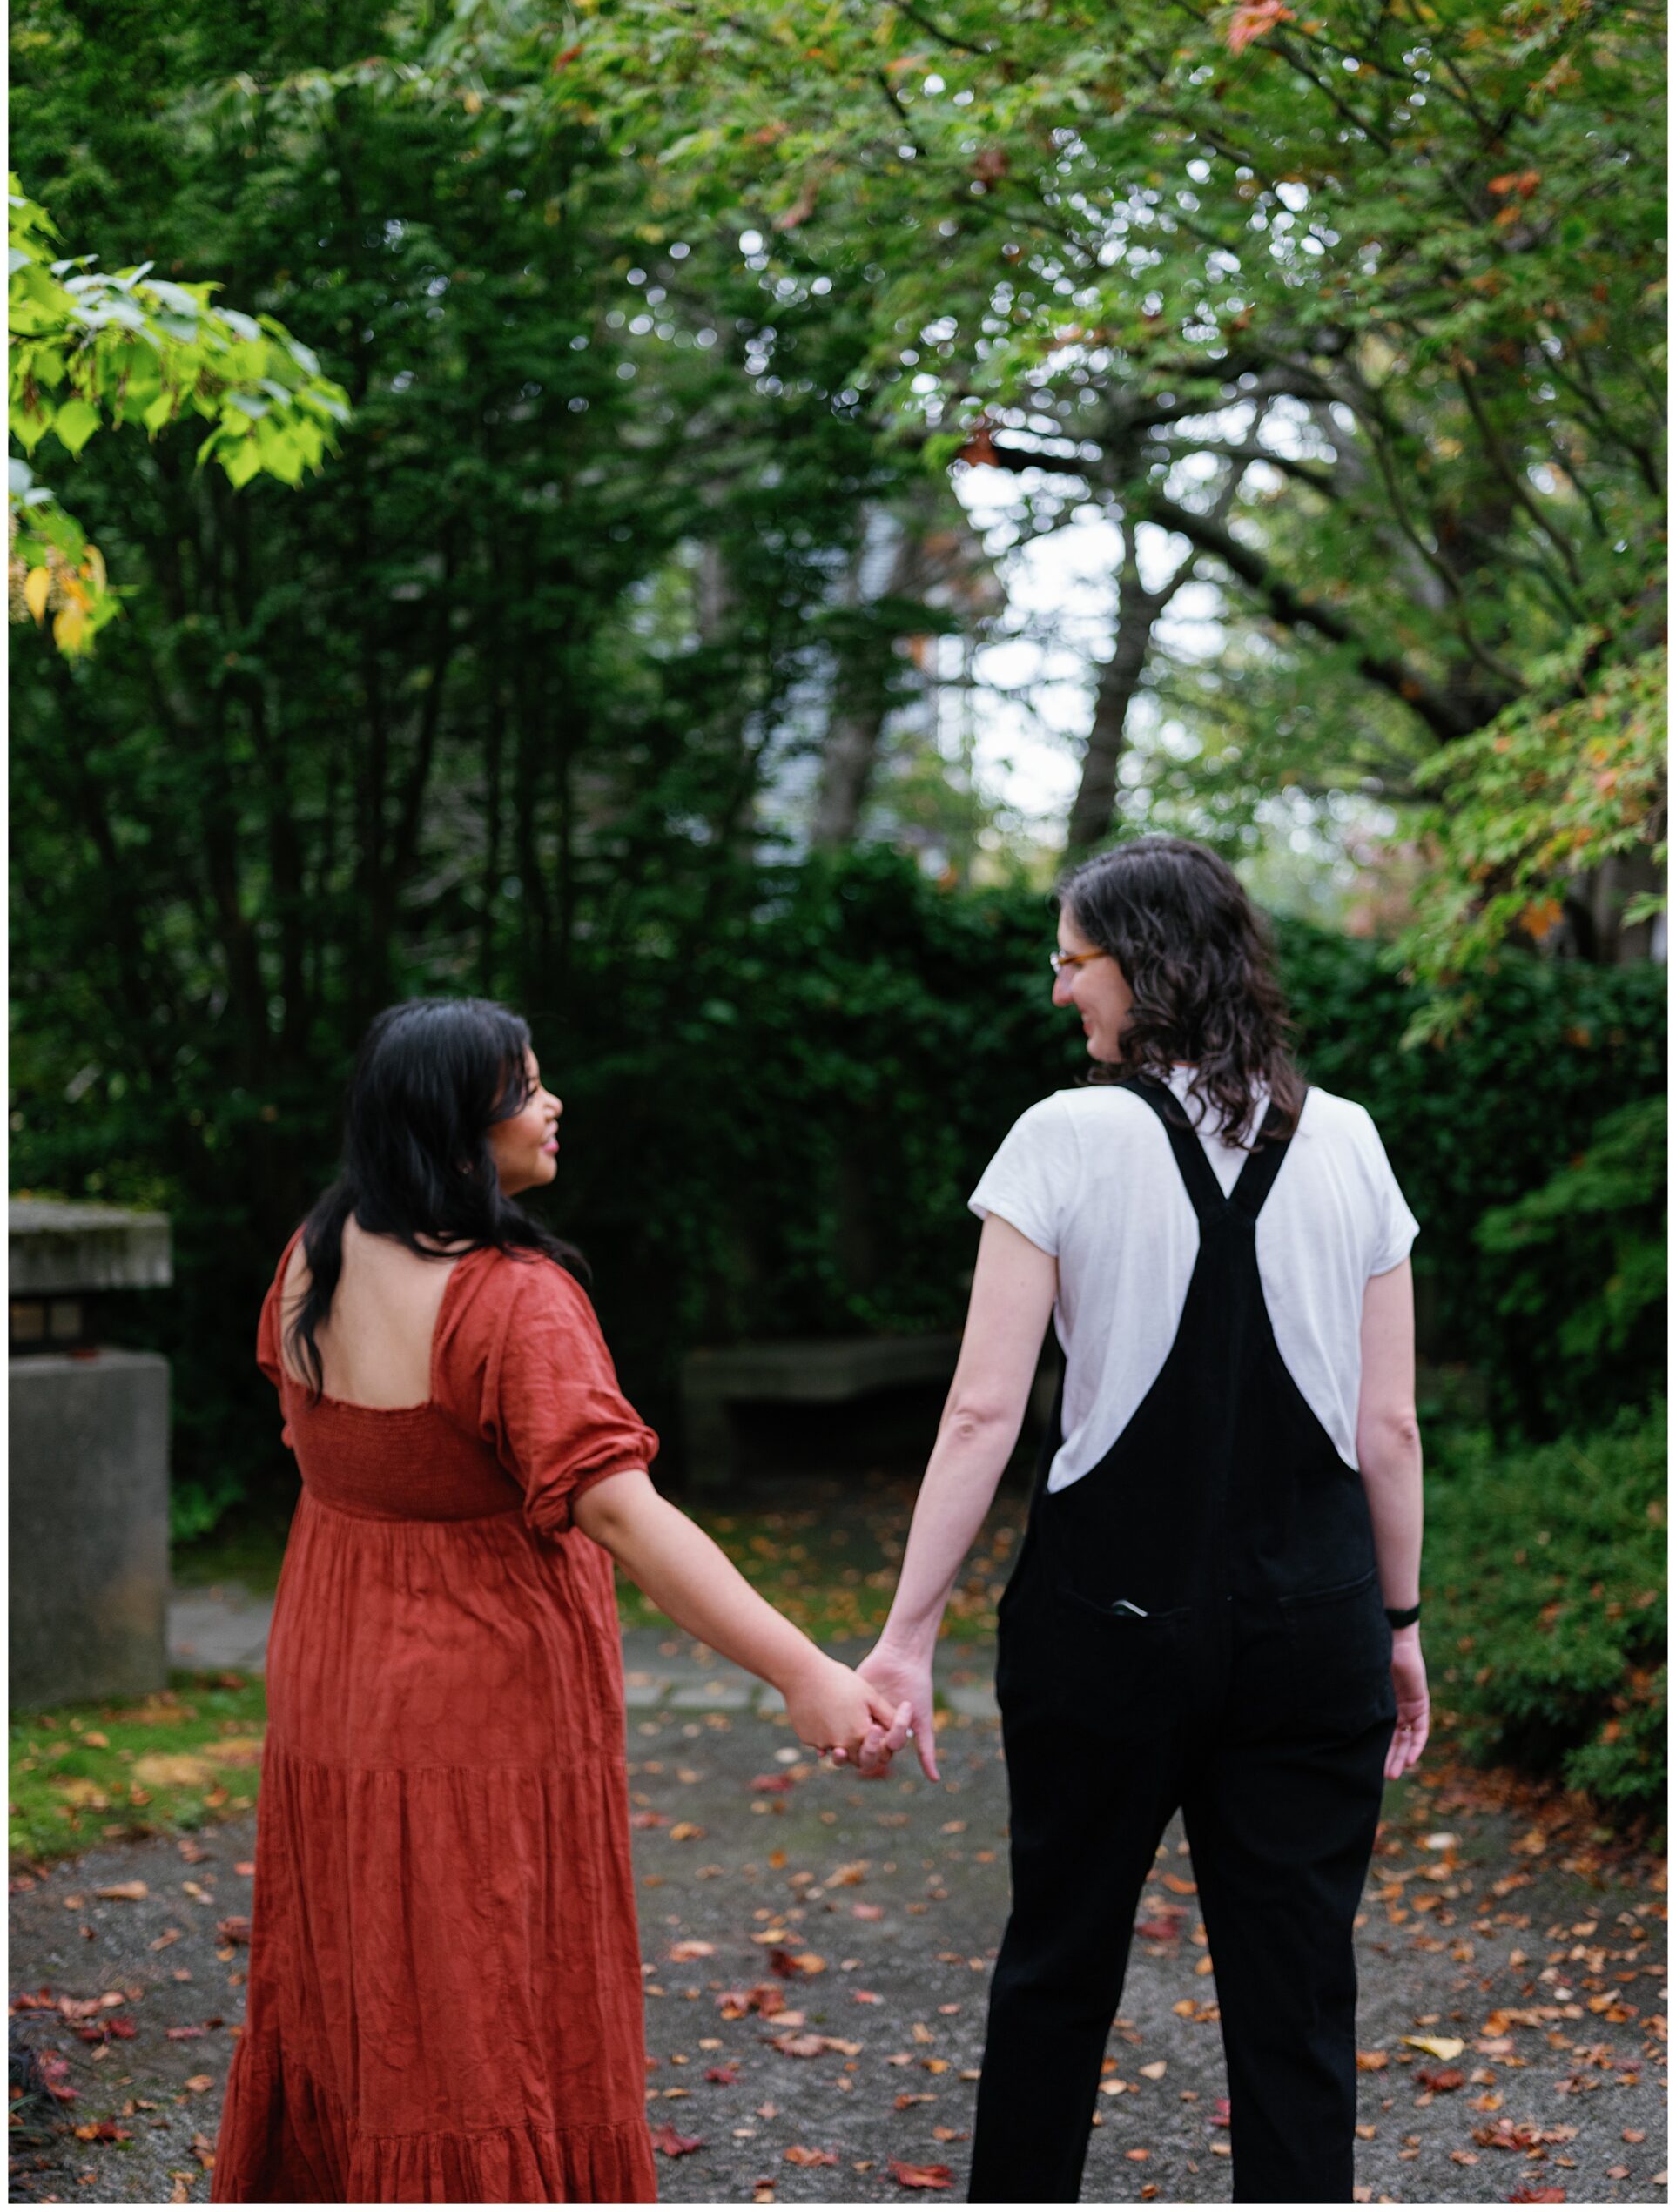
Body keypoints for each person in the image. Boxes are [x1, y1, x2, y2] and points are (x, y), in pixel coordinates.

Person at [212, 998, 909, 2204]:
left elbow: (311, 1443)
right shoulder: (511, 1300)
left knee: (369, 1973)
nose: (552, 1104)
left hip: (332, 1670)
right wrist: (806, 1669)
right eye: (524, 1088)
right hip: (481, 1699)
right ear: (456, 1128)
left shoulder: (311, 1255)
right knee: (486, 1990)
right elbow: (622, 1512)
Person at [857, 837, 1428, 2204]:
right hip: (1313, 1629)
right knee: (1294, 2004)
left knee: (1057, 1968)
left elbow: (981, 1417)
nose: (1060, 995)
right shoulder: (1348, 1138)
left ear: (1144, 964)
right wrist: (1397, 1624)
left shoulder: (1060, 1136)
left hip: (1101, 1629)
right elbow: (1387, 1431)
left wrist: (903, 1637)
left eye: (1073, 963)